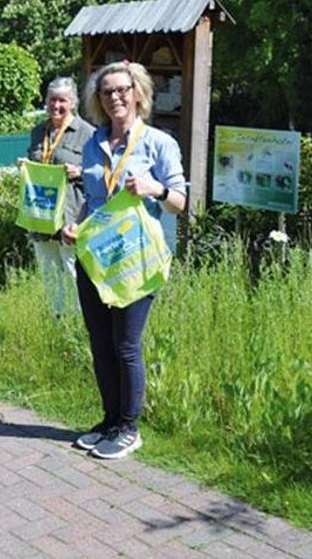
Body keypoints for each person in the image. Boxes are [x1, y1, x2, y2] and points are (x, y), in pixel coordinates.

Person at [63, 61, 186, 459]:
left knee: (126, 344)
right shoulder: (93, 142)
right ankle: (110, 420)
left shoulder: (158, 143)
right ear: (97, 100)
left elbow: (182, 203)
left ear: (137, 93)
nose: (115, 97)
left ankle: (130, 428)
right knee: (100, 343)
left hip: (137, 259)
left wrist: (155, 189)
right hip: (97, 259)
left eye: (121, 90)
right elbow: (95, 202)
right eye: (106, 92)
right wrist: (77, 228)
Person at [19, 77, 94, 318]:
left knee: (73, 271)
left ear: (72, 102)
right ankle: (56, 319)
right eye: (52, 100)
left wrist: (81, 171)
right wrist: (25, 166)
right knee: (49, 272)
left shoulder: (88, 133)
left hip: (71, 214)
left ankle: (79, 323)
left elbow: (103, 175)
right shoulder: (38, 131)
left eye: (62, 100)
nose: (56, 106)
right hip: (41, 214)